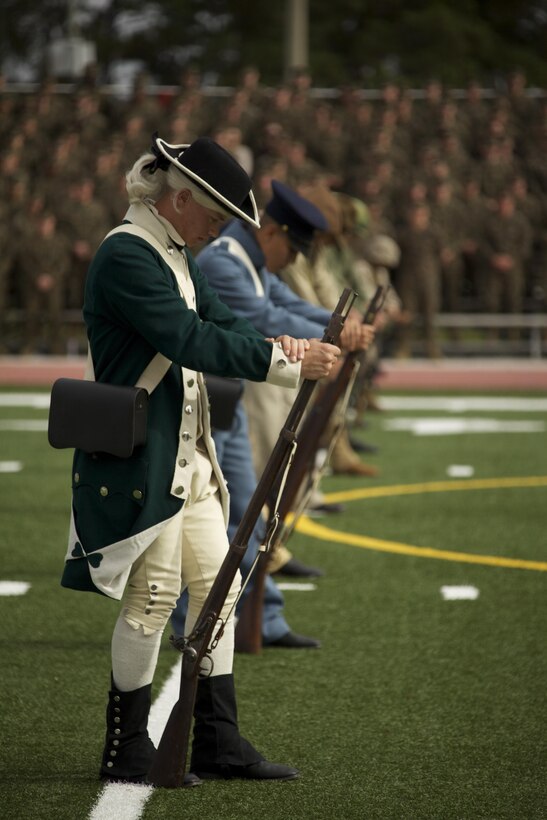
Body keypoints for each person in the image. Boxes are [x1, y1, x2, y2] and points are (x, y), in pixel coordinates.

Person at [60, 135, 340, 785]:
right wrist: (284, 364)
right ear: (179, 200)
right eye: (214, 219)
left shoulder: (175, 253)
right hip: (146, 456)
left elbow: (227, 326)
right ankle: (125, 746)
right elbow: (188, 338)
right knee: (153, 599)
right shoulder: (127, 254)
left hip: (188, 453)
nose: (218, 234)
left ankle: (218, 742)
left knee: (220, 586)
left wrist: (291, 350)